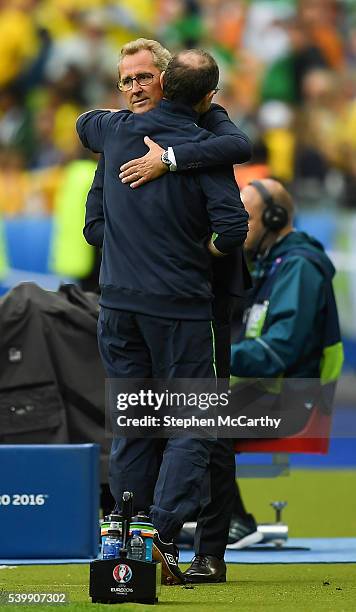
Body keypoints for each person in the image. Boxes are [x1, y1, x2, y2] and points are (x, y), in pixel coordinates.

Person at [77, 49, 249, 585]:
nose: (132, 87)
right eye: (124, 80)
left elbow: (85, 126)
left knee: (135, 424)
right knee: (193, 425)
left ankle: (124, 538)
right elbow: (232, 230)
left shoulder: (120, 135)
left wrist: (135, 254)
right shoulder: (196, 144)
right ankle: (159, 534)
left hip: (121, 305)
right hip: (177, 306)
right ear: (203, 94)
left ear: (166, 78)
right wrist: (184, 256)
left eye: (143, 77)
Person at [183, 178, 343, 582]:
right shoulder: (271, 264)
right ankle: (199, 515)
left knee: (194, 417)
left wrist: (210, 358)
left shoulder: (299, 268)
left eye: (244, 219)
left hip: (292, 399)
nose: (235, 228)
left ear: (273, 218)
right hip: (269, 391)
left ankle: (232, 522)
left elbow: (278, 351)